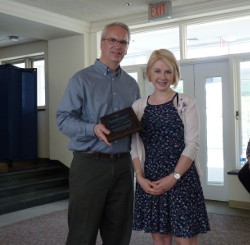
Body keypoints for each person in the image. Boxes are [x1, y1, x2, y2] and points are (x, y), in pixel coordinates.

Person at [56, 22, 140, 245]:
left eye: (123, 42)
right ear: (102, 43)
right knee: (82, 233)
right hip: (90, 165)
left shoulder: (131, 85)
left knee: (119, 232)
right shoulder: (80, 80)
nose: (117, 46)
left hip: (123, 166)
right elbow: (63, 119)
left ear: (127, 47)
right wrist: (92, 128)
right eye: (112, 40)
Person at [130, 49, 210, 245]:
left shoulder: (186, 102)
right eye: (157, 71)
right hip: (151, 180)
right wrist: (139, 177)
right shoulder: (138, 106)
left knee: (185, 238)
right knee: (160, 238)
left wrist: (173, 177)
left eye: (168, 71)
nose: (162, 77)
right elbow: (134, 145)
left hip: (182, 178)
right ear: (149, 72)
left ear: (175, 74)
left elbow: (193, 144)